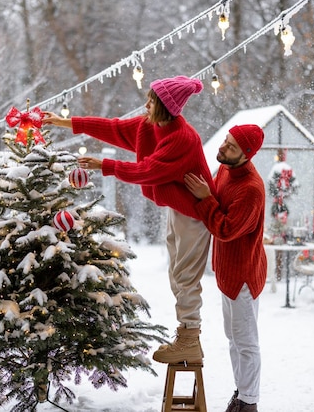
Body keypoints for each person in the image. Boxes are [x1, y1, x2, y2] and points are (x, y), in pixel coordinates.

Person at [43, 75, 215, 364]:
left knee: (186, 276)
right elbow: (112, 128)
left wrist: (104, 165)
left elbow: (146, 170)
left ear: (165, 107)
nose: (145, 104)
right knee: (177, 274)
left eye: (152, 101)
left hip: (194, 215)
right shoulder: (150, 126)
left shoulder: (181, 139)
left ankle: (189, 339)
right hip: (178, 208)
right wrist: (64, 122)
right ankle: (185, 333)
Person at [184, 124, 267, 412]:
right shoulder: (227, 170)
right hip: (227, 273)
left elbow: (225, 228)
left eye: (231, 146)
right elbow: (217, 198)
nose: (223, 148)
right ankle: (242, 392)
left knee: (246, 341)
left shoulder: (251, 189)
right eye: (225, 141)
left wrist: (205, 198)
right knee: (234, 338)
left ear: (246, 154)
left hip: (243, 276)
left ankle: (249, 403)